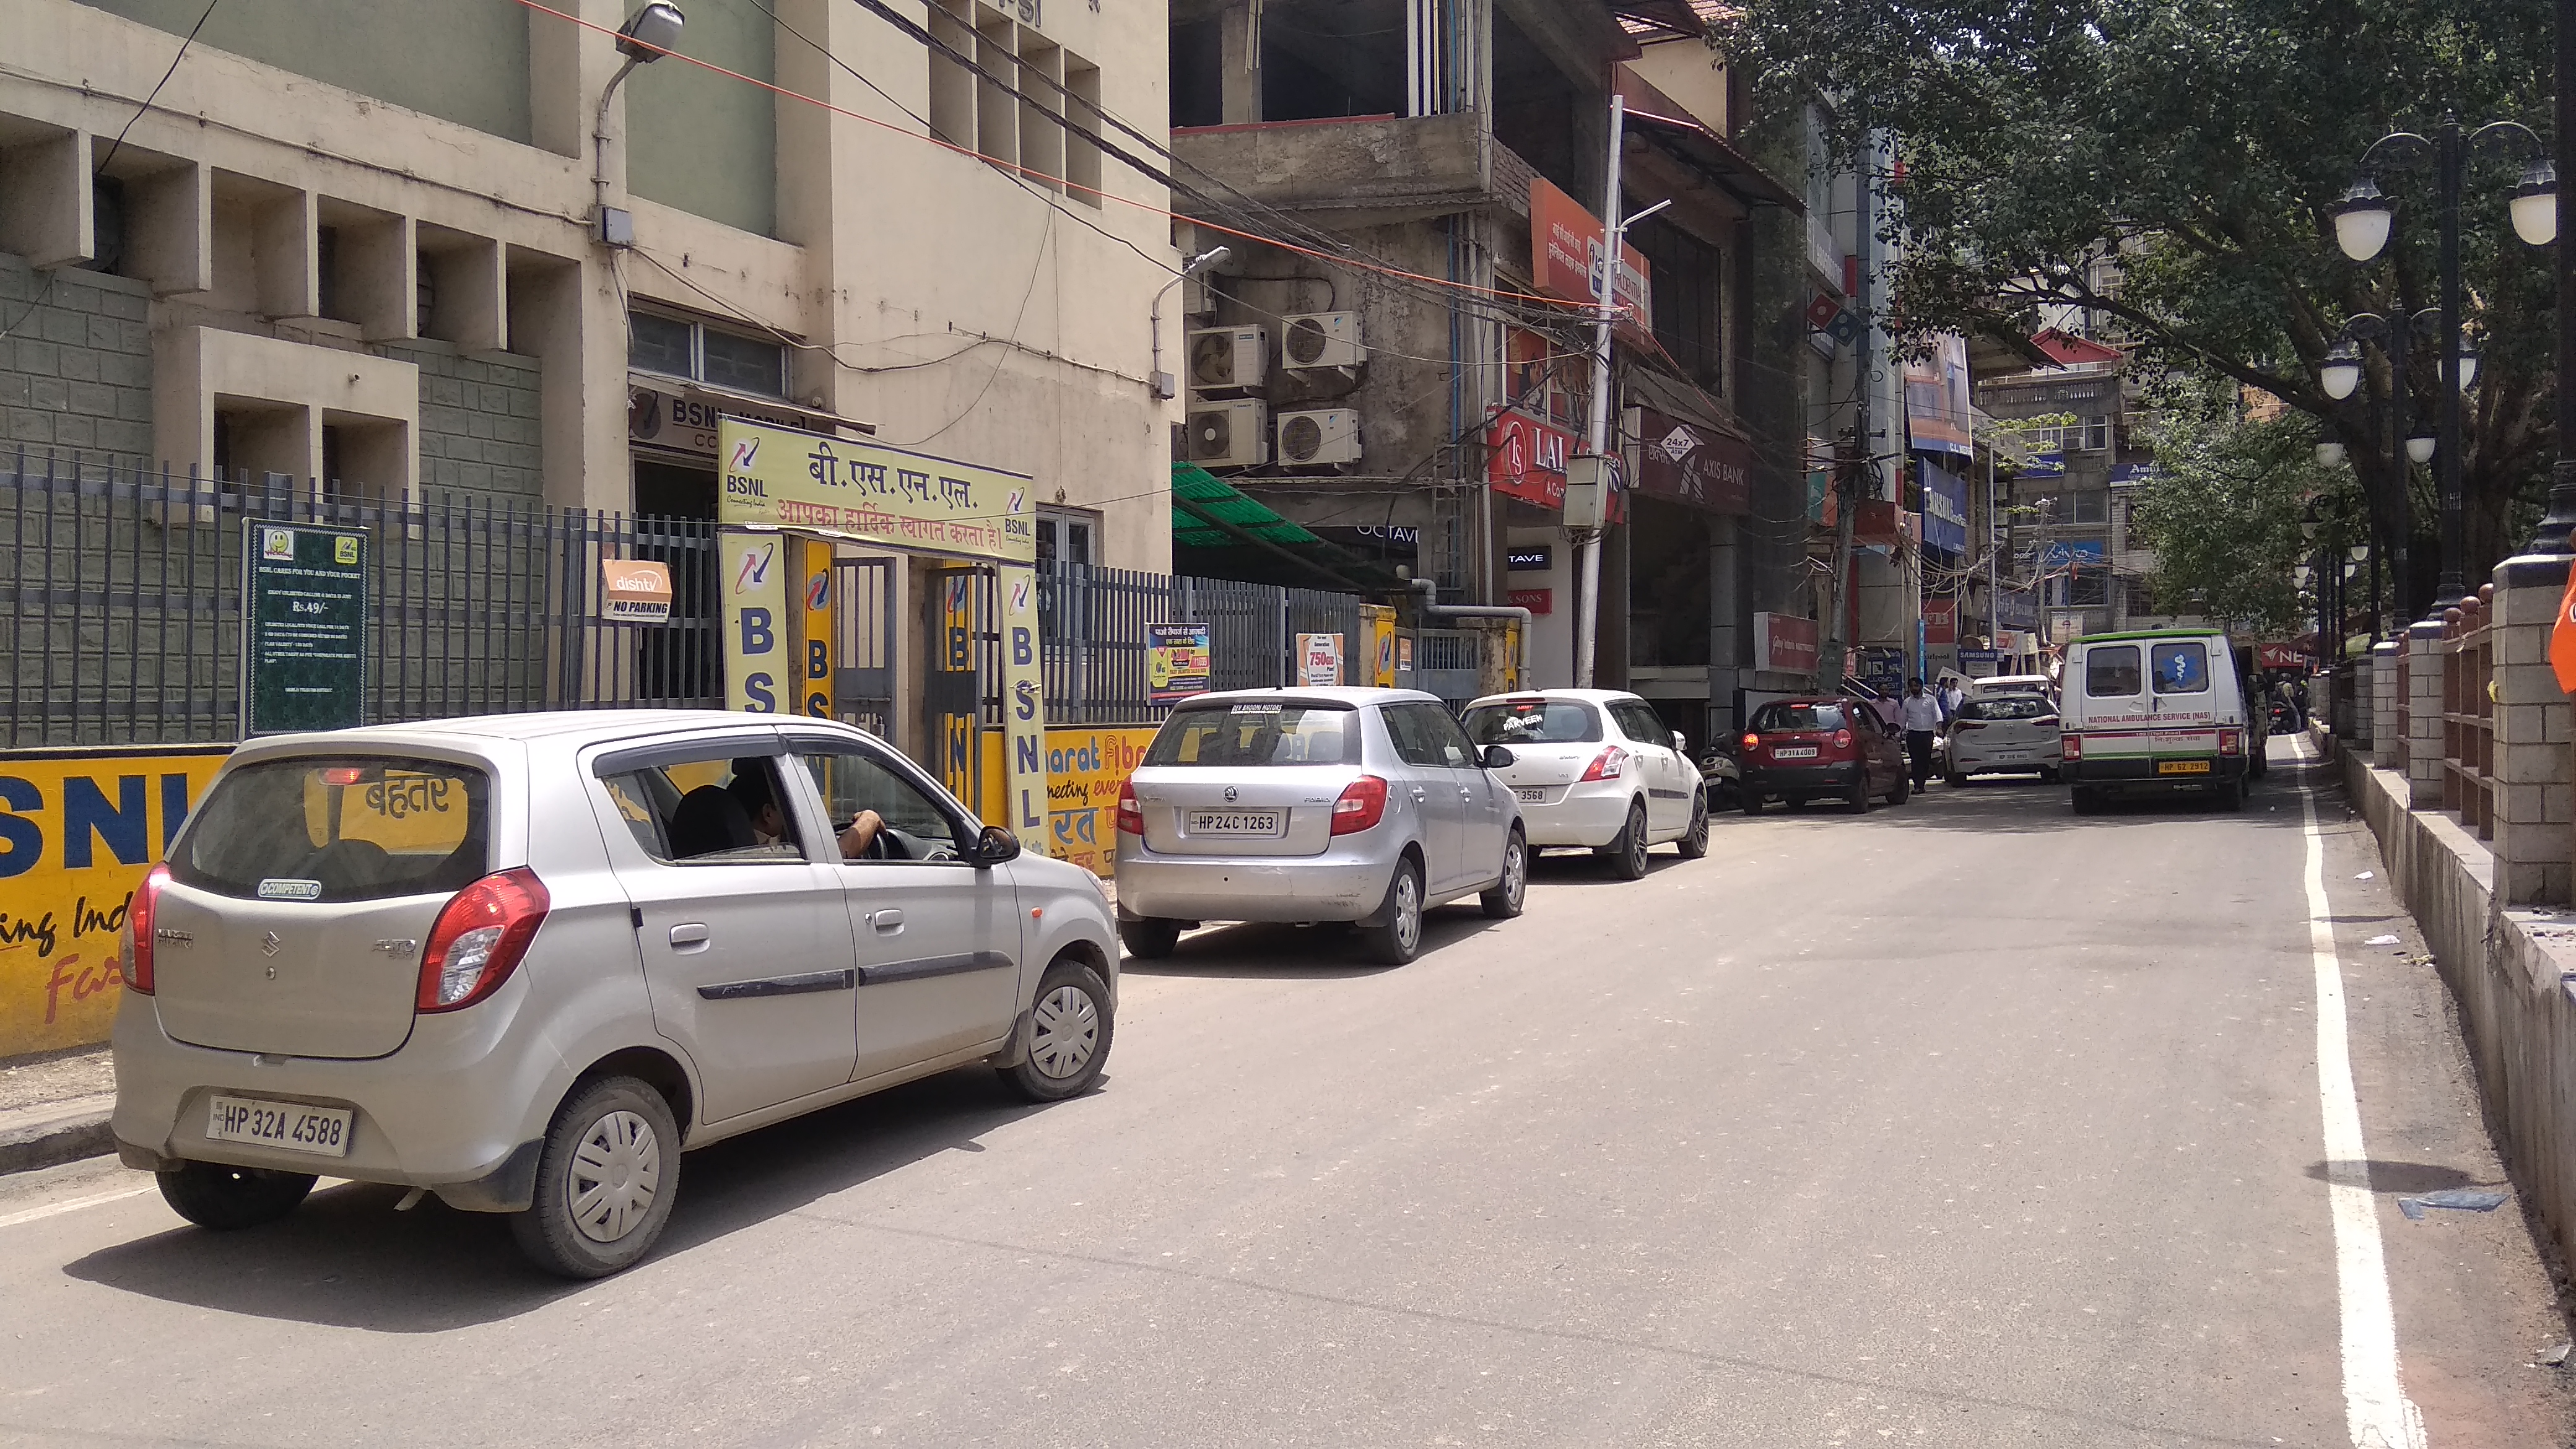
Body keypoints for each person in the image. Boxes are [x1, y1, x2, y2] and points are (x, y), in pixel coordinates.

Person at [728, 759, 884, 858]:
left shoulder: (725, 850)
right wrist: (870, 819)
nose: (795, 816)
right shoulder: (770, 856)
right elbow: (837, 855)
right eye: (787, 809)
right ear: (768, 814)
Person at [1898, 676, 1943, 790]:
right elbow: (1903, 720)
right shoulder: (1907, 702)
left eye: (1916, 686)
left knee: (1925, 760)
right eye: (1912, 686)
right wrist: (1898, 734)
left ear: (1921, 687)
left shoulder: (1931, 700)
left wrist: (1939, 728)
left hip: (1927, 734)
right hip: (1913, 735)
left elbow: (1938, 715)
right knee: (1915, 760)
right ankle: (1918, 785)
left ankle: (1921, 782)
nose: (1914, 688)